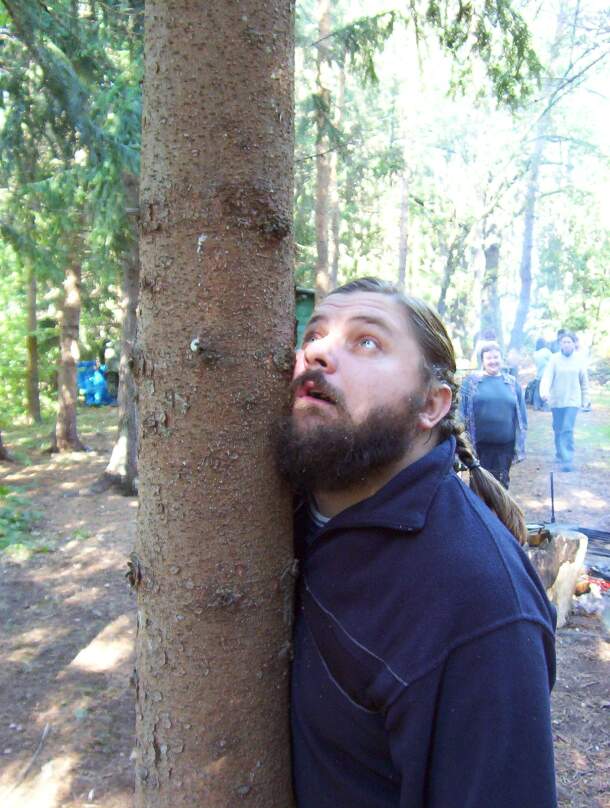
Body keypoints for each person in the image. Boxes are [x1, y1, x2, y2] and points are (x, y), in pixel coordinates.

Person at [275, 277, 557, 808]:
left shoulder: (480, 607)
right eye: (313, 335)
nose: (317, 353)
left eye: (367, 341)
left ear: (431, 404)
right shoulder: (277, 511)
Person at [459, 342, 527, 489]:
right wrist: (462, 442)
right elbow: (461, 413)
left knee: (501, 486)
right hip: (478, 447)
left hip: (505, 447)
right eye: (489, 358)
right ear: (482, 361)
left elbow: (522, 416)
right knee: (479, 486)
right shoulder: (470, 383)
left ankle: (500, 505)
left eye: (496, 357)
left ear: (501, 359)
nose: (493, 361)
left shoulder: (512, 384)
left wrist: (520, 442)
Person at [539, 331, 589, 472]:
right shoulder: (554, 359)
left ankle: (567, 459)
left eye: (569, 342)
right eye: (564, 342)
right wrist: (544, 392)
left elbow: (584, 382)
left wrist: (586, 399)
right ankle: (560, 453)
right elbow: (547, 377)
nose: (567, 344)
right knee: (558, 428)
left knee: (567, 428)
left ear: (574, 344)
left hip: (573, 401)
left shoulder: (579, 360)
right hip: (557, 400)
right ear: (560, 344)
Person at [533, 338, 552, 410]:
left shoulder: (535, 353)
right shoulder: (546, 351)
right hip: (546, 374)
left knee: (537, 391)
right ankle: (545, 406)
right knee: (545, 391)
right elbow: (553, 360)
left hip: (538, 374)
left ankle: (536, 405)